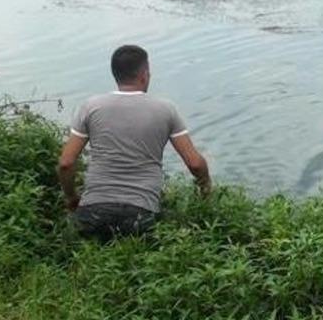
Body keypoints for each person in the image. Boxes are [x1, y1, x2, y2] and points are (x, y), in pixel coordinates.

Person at [57, 45, 211, 241]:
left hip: (92, 213)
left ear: (115, 75)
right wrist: (206, 189)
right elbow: (195, 163)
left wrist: (71, 197)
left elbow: (66, 163)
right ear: (144, 75)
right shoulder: (166, 110)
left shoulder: (90, 107)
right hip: (141, 215)